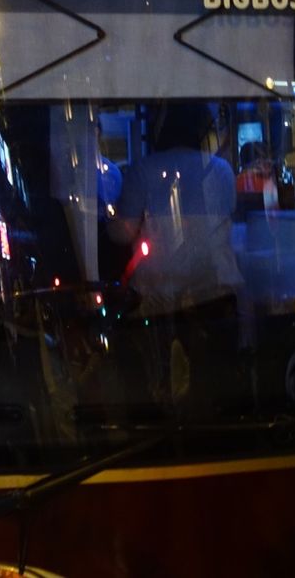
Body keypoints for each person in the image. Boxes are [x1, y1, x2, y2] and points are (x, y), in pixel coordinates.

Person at [107, 102, 243, 416]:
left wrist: (109, 217)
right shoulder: (221, 170)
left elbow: (123, 234)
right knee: (214, 385)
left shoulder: (144, 169)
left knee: (163, 384)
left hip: (162, 299)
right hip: (216, 293)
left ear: (160, 130)